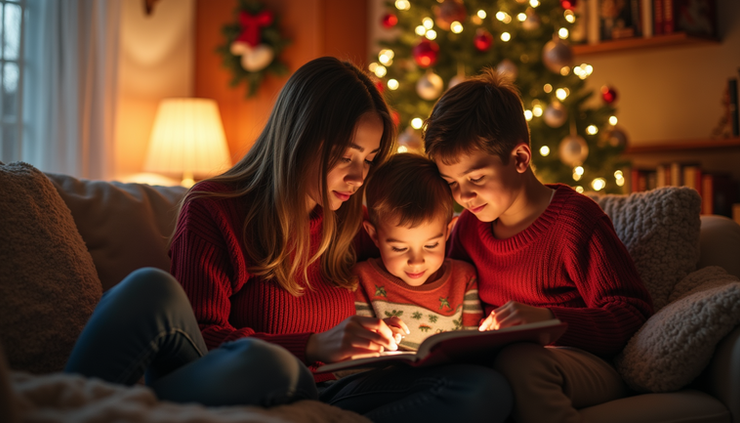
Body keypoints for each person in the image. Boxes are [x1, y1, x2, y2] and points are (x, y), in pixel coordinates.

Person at [166, 57, 511, 423]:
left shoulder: (349, 222)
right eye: (345, 156)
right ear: (299, 137)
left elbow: (419, 253)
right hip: (264, 388)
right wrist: (315, 345)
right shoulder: (214, 210)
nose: (359, 176)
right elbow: (194, 342)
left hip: (336, 393)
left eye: (369, 158)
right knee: (277, 369)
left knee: (482, 389)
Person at [422, 68, 654, 423]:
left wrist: (547, 321)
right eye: (452, 184)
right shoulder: (467, 229)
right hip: (497, 363)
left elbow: (631, 313)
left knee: (520, 361)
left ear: (519, 159)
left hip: (577, 362)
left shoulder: (575, 221)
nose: (464, 196)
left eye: (477, 178)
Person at [354, 152, 484, 351]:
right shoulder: (362, 280)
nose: (416, 262)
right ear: (374, 236)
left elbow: (475, 348)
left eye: (431, 245)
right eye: (399, 248)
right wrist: (378, 338)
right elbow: (356, 353)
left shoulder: (464, 279)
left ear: (447, 231)